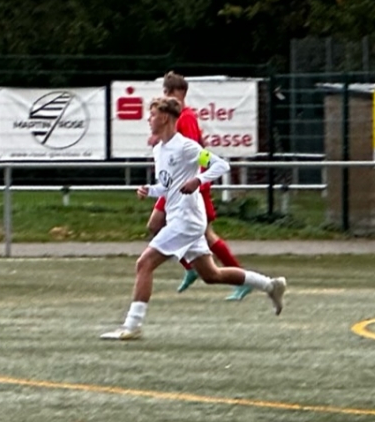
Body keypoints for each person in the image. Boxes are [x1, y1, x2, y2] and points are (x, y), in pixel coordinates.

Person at [102, 95, 285, 340]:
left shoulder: (186, 147)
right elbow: (167, 185)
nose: (149, 120)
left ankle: (132, 326)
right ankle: (270, 285)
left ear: (164, 117)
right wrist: (150, 190)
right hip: (180, 218)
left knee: (144, 264)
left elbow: (220, 165)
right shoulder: (159, 149)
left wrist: (198, 180)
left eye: (153, 115)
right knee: (211, 275)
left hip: (187, 220)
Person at [150, 71, 249, 298]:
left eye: (169, 92)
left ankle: (239, 277)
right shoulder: (177, 119)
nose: (166, 96)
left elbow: (198, 153)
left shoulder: (185, 118)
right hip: (175, 185)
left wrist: (199, 180)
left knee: (206, 235)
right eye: (165, 92)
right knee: (157, 224)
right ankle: (191, 267)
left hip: (190, 187)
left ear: (181, 93)